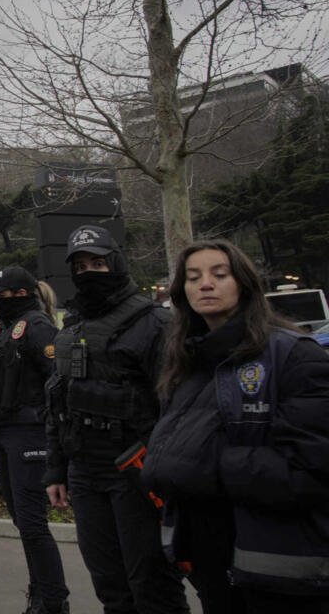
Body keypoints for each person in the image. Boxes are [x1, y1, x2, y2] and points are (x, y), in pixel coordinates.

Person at [144, 240, 329, 613]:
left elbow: (311, 467)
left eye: (219, 274)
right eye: (193, 277)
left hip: (278, 566)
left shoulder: (294, 354)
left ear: (244, 283)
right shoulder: (185, 362)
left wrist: (212, 464)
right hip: (210, 558)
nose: (205, 284)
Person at [43, 225, 189, 614]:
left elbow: (176, 409)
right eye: (80, 266)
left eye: (98, 263)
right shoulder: (72, 327)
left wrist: (160, 470)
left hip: (135, 472)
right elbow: (58, 403)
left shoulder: (154, 322)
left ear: (116, 263)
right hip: (84, 473)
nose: (88, 272)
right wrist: (56, 470)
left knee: (153, 586)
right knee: (110, 587)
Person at [0, 267, 70, 613]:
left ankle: (54, 601)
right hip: (5, 432)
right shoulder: (8, 328)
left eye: (1, 295)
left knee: (32, 524)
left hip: (28, 433)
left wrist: (49, 428)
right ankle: (41, 593)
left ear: (20, 294)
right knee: (23, 522)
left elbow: (58, 380)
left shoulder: (37, 325)